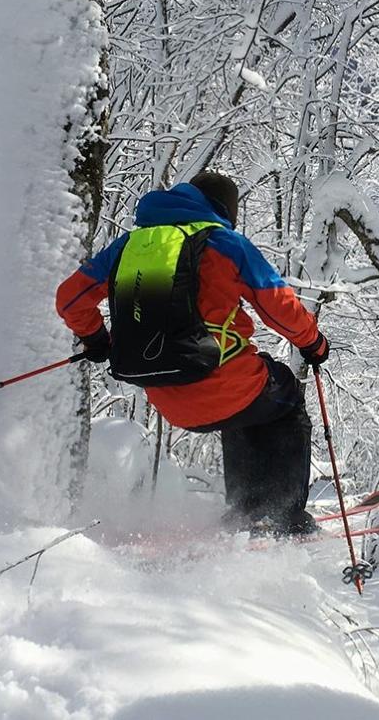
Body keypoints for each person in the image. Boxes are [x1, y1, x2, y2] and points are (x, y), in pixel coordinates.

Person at [55, 172, 330, 536]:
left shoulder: (129, 246)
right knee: (284, 397)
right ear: (222, 209)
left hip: (168, 400)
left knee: (250, 395)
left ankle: (243, 514)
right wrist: (313, 343)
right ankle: (283, 518)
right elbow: (279, 305)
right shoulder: (225, 243)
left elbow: (69, 299)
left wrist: (97, 341)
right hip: (226, 388)